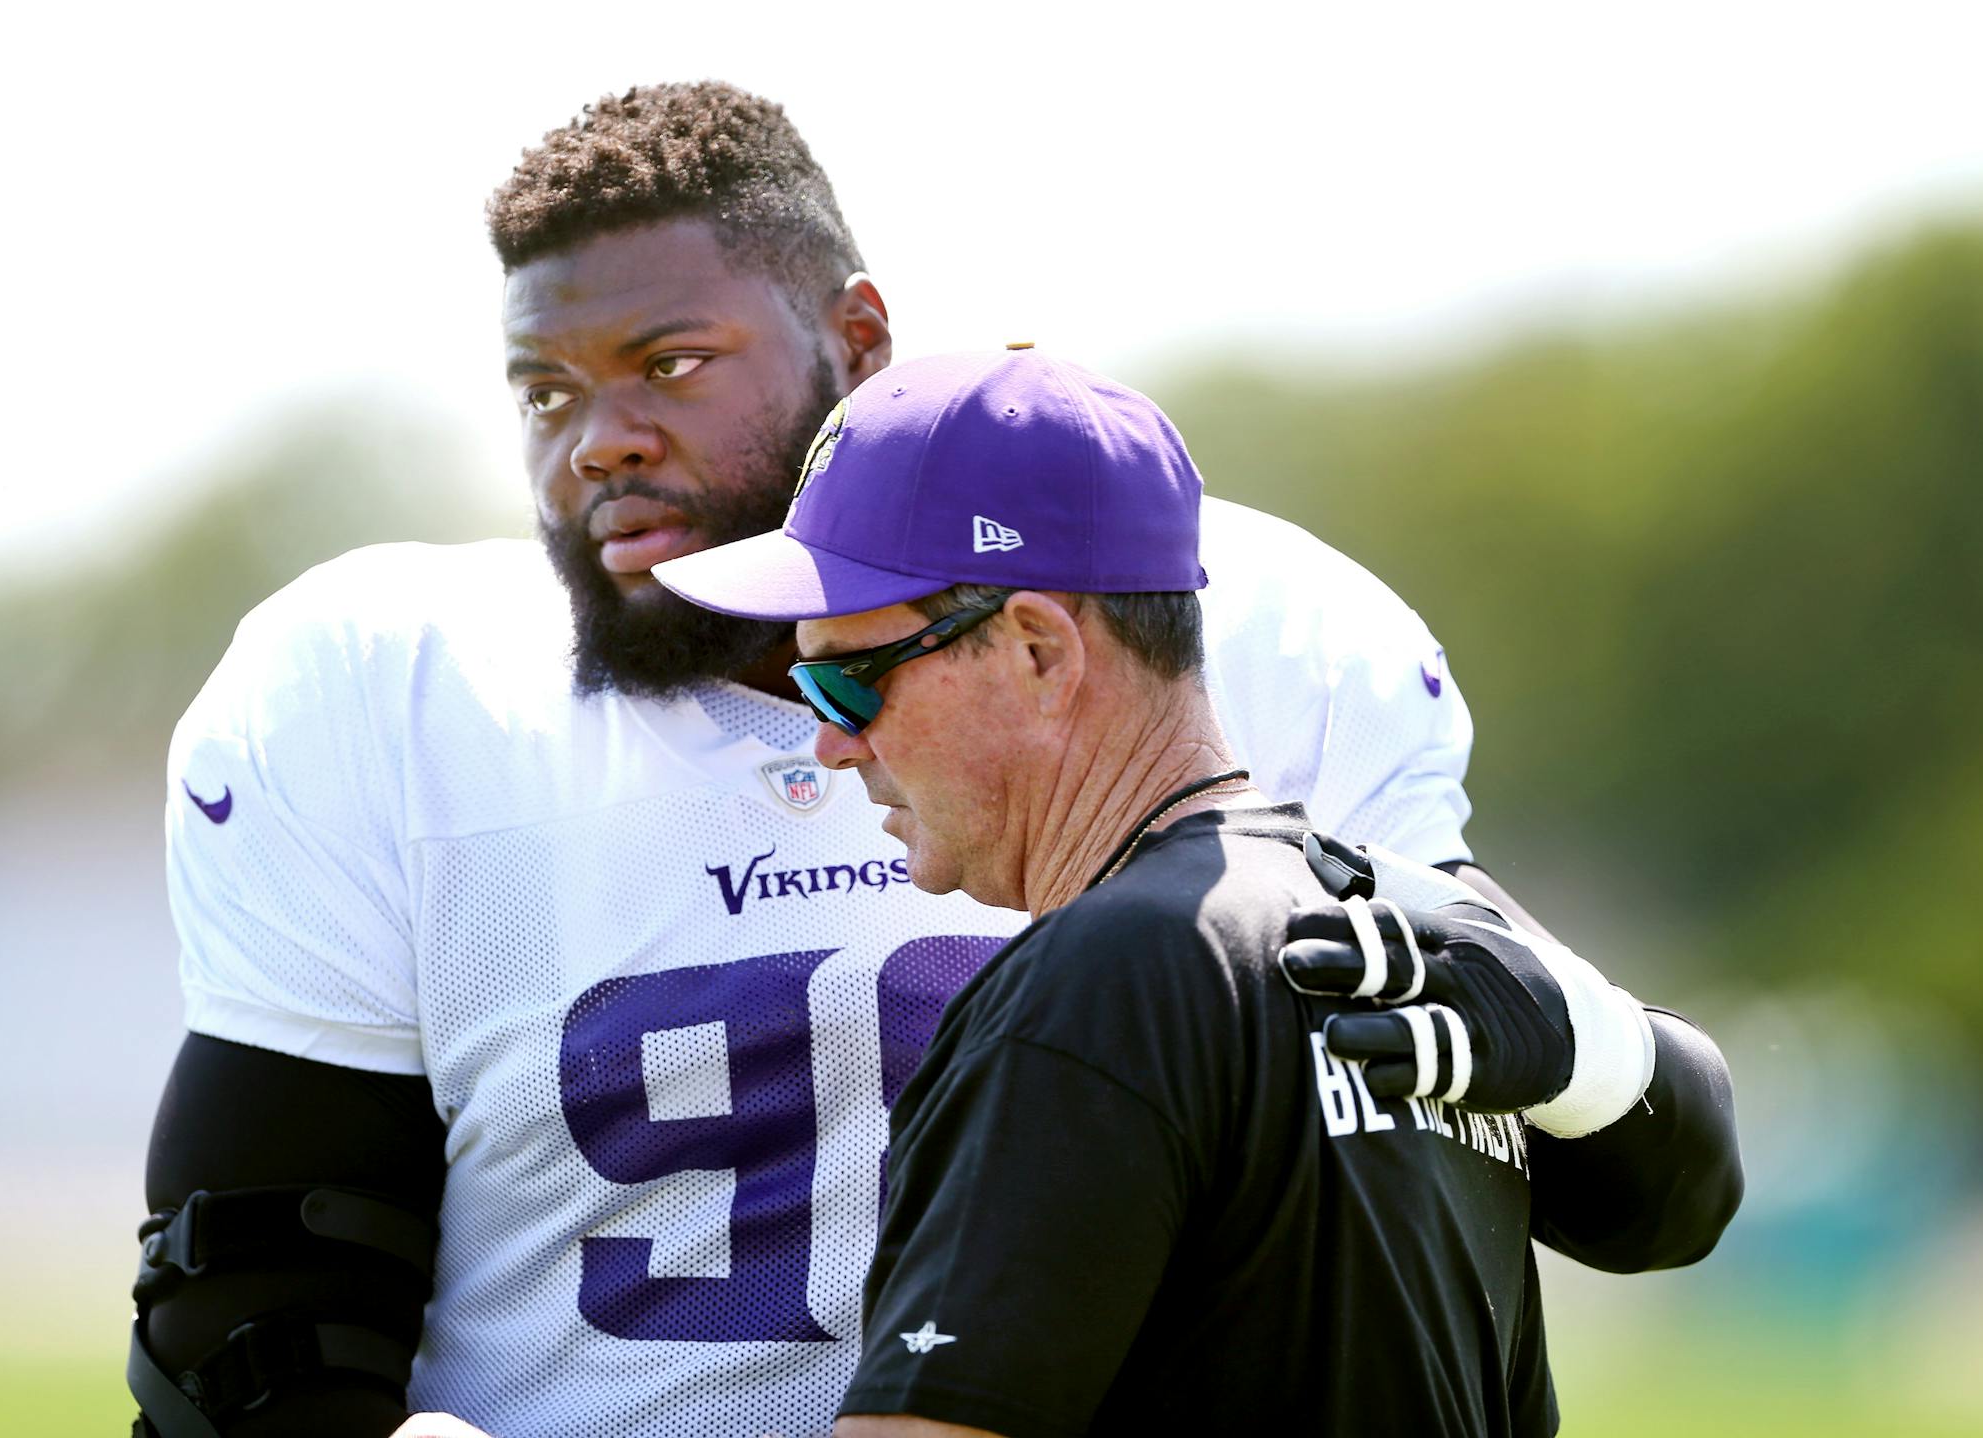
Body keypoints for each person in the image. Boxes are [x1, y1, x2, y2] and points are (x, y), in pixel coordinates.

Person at [131, 82, 1741, 1438]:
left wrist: (1594, 1037)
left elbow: (1604, 1180)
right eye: (543, 389)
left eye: (670, 363)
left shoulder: (1229, 642)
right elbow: (258, 1293)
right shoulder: (378, 693)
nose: (598, 439)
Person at [653, 346, 1684, 1434]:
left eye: (847, 679)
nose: (828, 742)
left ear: (1039, 651)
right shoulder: (1407, 959)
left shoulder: (1094, 989)